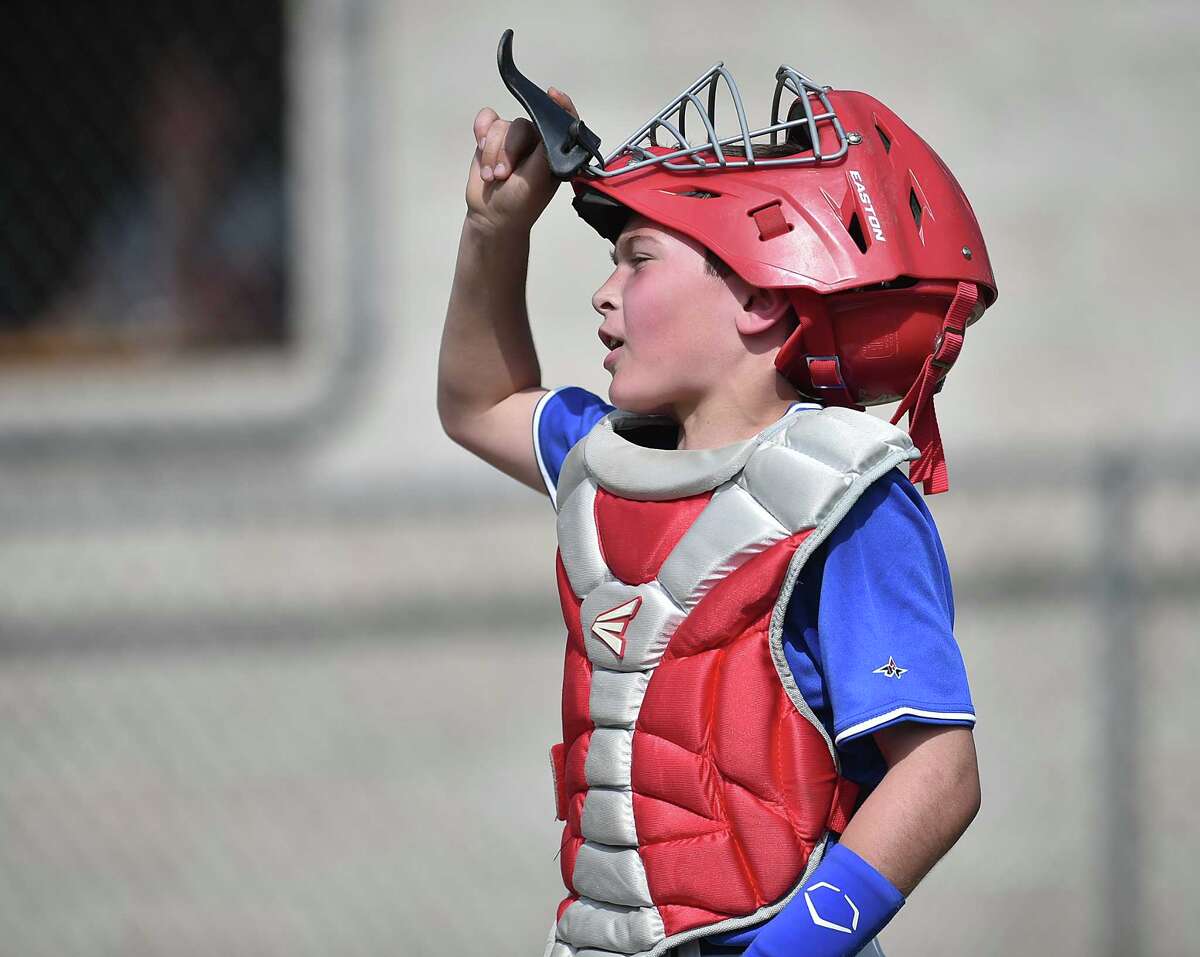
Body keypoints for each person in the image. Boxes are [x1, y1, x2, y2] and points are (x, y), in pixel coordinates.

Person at [438, 59, 996, 957]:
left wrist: (790, 954)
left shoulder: (846, 498)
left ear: (763, 297)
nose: (604, 290)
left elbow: (937, 775)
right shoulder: (607, 455)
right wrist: (493, 230)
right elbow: (477, 404)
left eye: (639, 258)